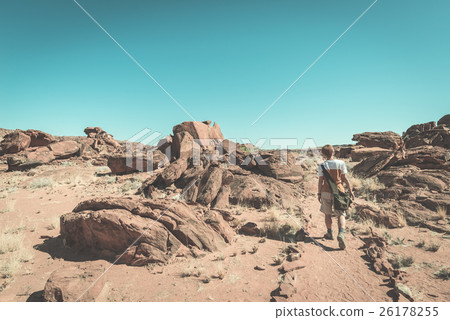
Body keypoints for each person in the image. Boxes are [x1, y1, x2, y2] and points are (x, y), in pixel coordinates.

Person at [317, 145, 355, 249]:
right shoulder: (341, 163)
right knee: (341, 214)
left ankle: (330, 233)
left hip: (326, 192)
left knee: (327, 214)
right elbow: (345, 178)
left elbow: (321, 181)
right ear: (333, 152)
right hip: (339, 191)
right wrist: (350, 191)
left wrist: (319, 193)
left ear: (323, 154)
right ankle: (341, 233)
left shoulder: (322, 166)